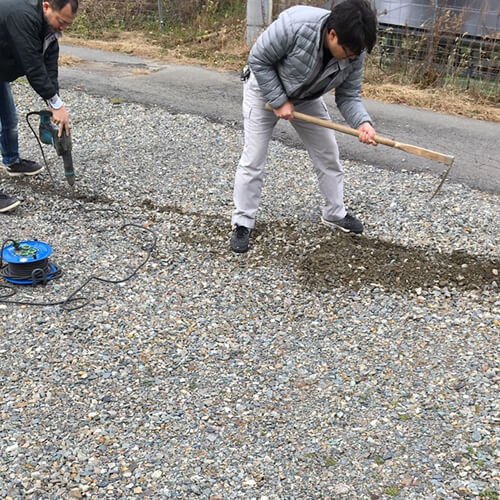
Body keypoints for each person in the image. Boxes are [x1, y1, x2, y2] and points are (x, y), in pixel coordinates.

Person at [230, 0, 378, 253]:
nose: (353, 57)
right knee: (253, 158)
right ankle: (242, 222)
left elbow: (348, 95)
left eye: (357, 53)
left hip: (306, 97)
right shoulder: (296, 24)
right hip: (263, 90)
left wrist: (363, 123)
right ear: (333, 34)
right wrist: (278, 100)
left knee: (328, 154)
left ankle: (334, 213)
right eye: (349, 51)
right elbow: (259, 59)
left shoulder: (355, 49)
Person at [0, 0, 78, 213]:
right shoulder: (23, 16)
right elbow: (32, 65)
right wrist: (55, 103)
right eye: (61, 21)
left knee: (9, 120)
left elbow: (49, 69)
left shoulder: (50, 31)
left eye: (67, 24)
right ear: (46, 7)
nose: (63, 27)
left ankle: (12, 162)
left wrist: (56, 105)